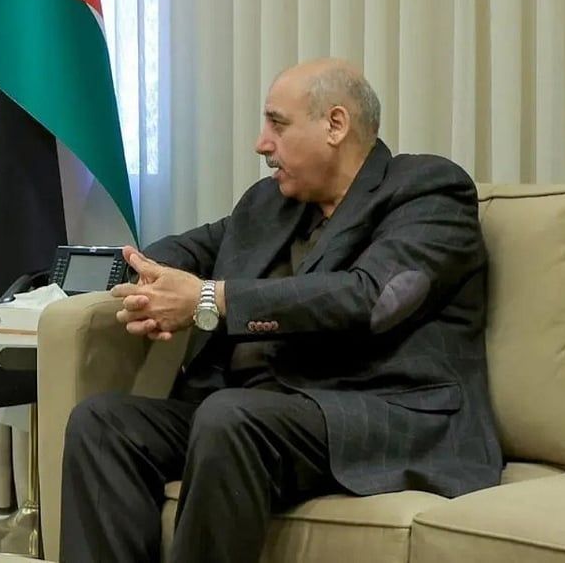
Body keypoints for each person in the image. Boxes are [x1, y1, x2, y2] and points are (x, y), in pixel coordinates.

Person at [59, 58, 502, 563]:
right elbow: (193, 248)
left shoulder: (428, 190)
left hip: (376, 413)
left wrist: (209, 300)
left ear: (335, 125)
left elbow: (373, 298)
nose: (261, 143)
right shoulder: (270, 203)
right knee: (102, 424)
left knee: (229, 417)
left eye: (277, 124)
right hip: (255, 413)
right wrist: (145, 276)